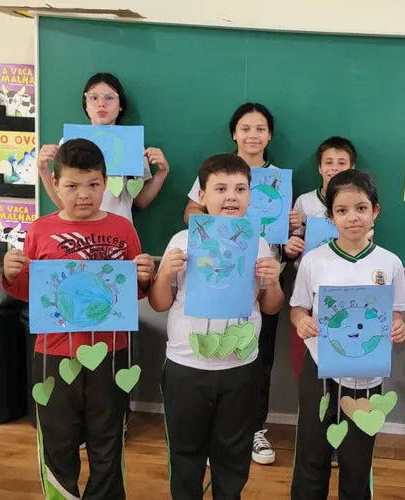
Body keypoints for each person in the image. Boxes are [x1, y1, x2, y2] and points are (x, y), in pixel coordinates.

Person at [2, 139, 155, 499]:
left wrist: (144, 276)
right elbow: (30, 291)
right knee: (57, 440)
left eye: (93, 185)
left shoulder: (123, 229)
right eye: (71, 185)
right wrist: (11, 275)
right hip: (53, 352)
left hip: (112, 352)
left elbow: (131, 291)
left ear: (105, 183)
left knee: (108, 440)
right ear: (55, 185)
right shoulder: (40, 230)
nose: (83, 195)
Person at [150, 153, 283, 499]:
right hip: (186, 365)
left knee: (233, 454)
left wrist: (275, 281)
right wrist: (164, 273)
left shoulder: (260, 243)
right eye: (220, 188)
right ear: (203, 196)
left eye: (240, 188)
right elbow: (159, 302)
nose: (231, 197)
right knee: (185, 451)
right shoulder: (181, 241)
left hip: (239, 366)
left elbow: (271, 307)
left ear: (251, 195)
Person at [182, 102, 297, 465]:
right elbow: (189, 214)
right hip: (215, 273)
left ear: (270, 135)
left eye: (260, 128)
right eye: (245, 128)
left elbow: (286, 234)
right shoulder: (217, 170)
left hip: (262, 277)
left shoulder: (279, 178)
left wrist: (292, 229)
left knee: (257, 355)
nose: (252, 134)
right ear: (234, 133)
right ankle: (214, 426)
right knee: (211, 350)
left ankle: (255, 430)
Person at [290, 169, 405, 499]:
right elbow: (298, 308)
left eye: (360, 208)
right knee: (312, 453)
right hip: (319, 371)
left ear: (376, 211)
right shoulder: (314, 261)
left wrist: (398, 325)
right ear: (330, 217)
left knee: (357, 460)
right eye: (341, 211)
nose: (352, 218)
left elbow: (396, 312)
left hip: (366, 377)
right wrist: (302, 321)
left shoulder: (390, 263)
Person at [37, 72, 170, 222]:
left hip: (117, 232)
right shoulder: (69, 144)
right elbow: (63, 203)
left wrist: (162, 172)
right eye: (93, 98)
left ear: (120, 106)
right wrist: (43, 169)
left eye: (110, 98)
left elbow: (140, 200)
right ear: (85, 106)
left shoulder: (131, 143)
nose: (101, 103)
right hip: (80, 231)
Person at [284, 136, 358, 381]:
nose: (334, 167)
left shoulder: (359, 204)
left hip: (346, 287)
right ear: (319, 167)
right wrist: (291, 246)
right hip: (307, 287)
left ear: (352, 168)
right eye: (328, 162)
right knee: (306, 349)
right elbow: (293, 242)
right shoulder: (304, 201)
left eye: (341, 162)